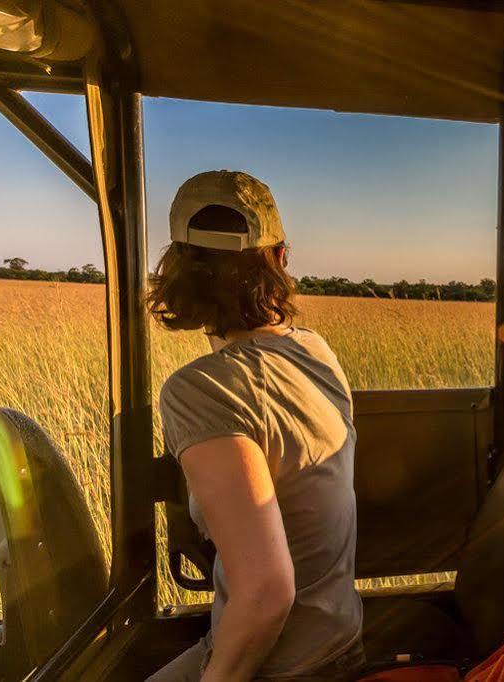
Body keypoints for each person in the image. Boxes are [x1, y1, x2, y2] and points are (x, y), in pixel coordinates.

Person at [146, 171, 363, 681]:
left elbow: (265, 593)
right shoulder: (315, 351)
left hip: (285, 666)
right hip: (342, 639)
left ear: (177, 269)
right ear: (282, 259)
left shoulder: (201, 390)